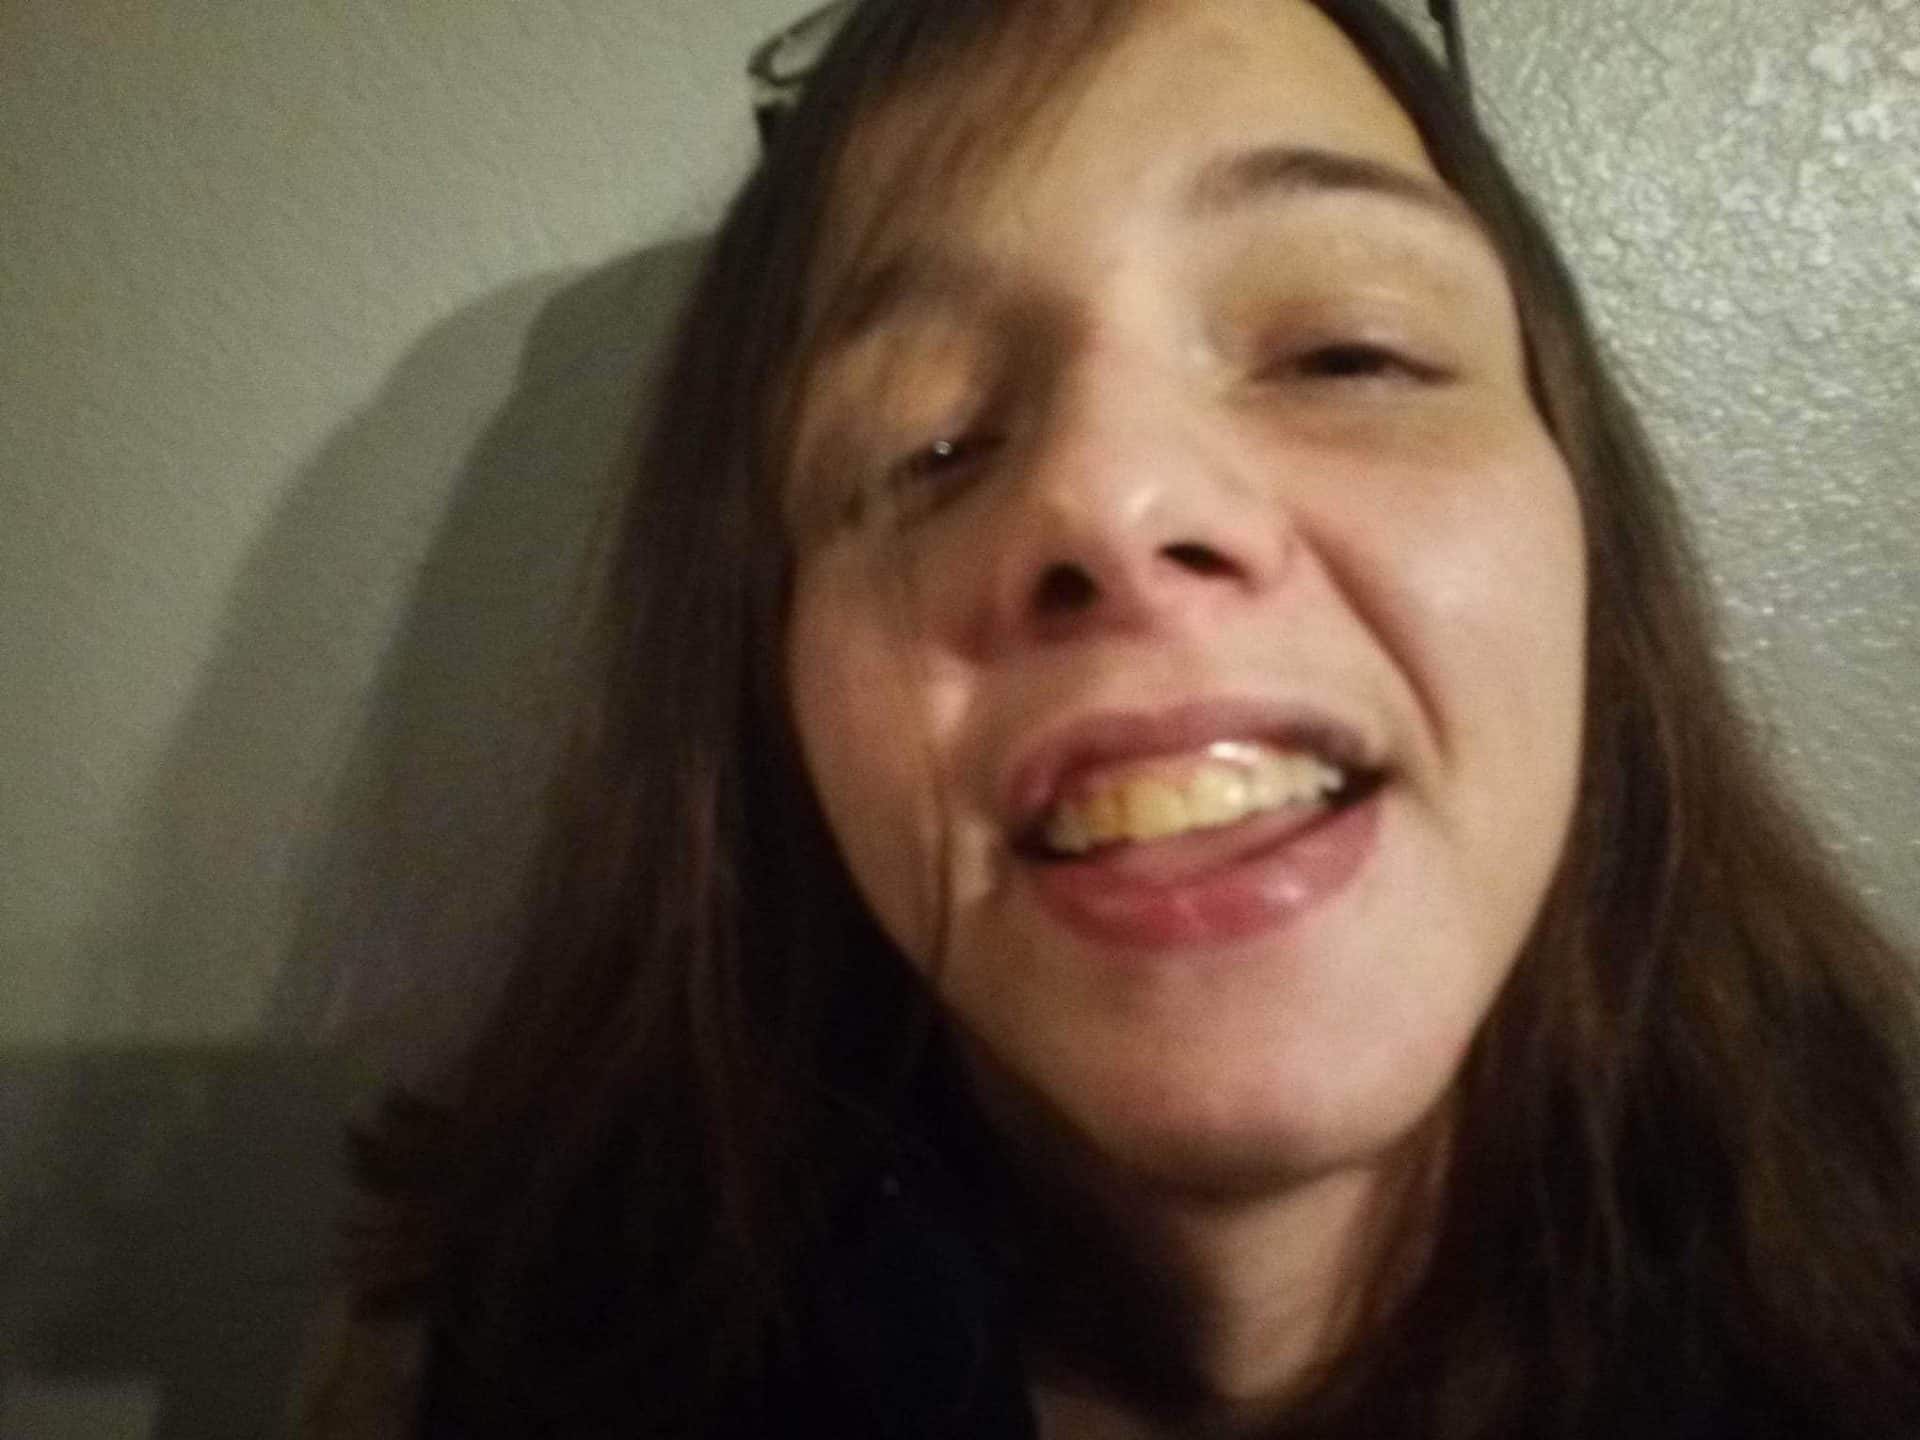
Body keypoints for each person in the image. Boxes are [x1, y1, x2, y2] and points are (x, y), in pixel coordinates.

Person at [297, 1, 1920, 1436]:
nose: (1111, 500)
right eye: (929, 445)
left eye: (1346, 351)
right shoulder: (475, 1379)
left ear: (1589, 552)